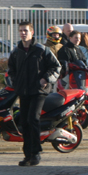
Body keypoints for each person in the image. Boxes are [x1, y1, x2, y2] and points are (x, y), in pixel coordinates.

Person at [7, 21, 61, 166]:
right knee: (24, 122)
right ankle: (28, 155)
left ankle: (36, 153)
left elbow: (56, 66)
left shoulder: (41, 49)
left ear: (32, 32)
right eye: (20, 31)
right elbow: (10, 69)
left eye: (25, 30)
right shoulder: (16, 51)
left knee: (33, 119)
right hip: (23, 91)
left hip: (38, 91)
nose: (23, 33)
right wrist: (14, 81)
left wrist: (46, 79)